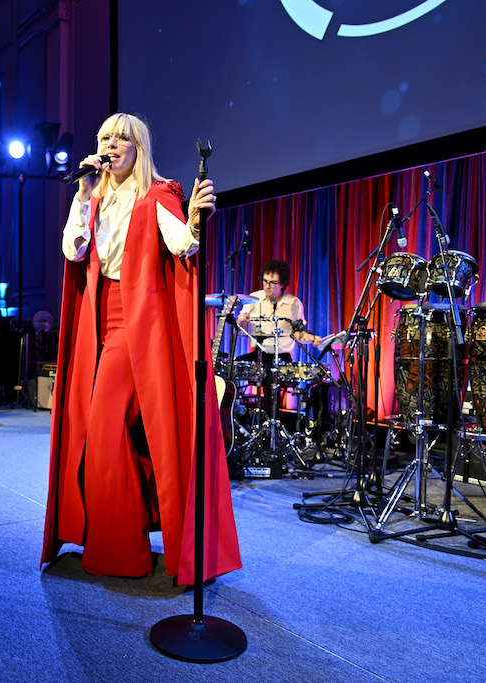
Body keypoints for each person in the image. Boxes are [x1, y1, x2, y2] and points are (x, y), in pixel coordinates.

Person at [41, 113, 241, 583]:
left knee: (105, 430)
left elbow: (183, 245)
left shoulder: (157, 194)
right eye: (104, 137)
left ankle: (121, 551)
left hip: (136, 325)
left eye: (121, 138)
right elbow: (73, 251)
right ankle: (122, 538)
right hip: (97, 321)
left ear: (139, 147)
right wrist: (83, 195)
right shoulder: (92, 196)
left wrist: (195, 219)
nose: (110, 145)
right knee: (106, 433)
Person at [236, 259, 320, 413]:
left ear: (282, 283)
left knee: (270, 379)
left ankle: (271, 420)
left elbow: (298, 334)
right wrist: (241, 321)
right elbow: (240, 328)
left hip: (282, 357)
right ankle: (236, 413)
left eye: (272, 282)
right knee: (232, 367)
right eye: (265, 281)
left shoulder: (293, 303)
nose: (267, 286)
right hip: (259, 354)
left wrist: (312, 339)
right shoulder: (253, 298)